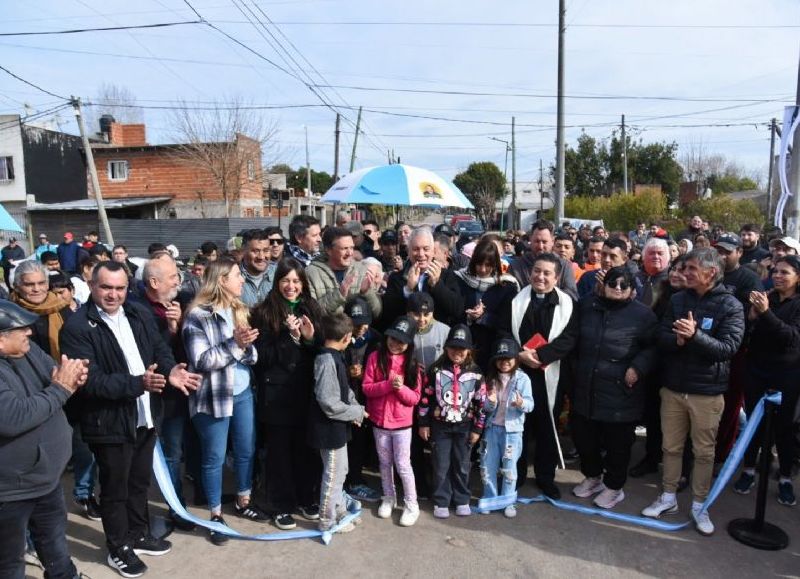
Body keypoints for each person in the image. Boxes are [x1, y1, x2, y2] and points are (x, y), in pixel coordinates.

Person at [60, 261, 201, 577]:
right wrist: (139, 383)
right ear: (92, 286)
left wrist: (171, 371)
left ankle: (139, 534)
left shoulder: (138, 312)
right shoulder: (77, 327)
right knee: (115, 488)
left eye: (120, 288)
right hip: (108, 422)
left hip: (145, 415)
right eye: (106, 287)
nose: (113, 294)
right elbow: (91, 381)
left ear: (128, 288)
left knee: (139, 482)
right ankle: (118, 547)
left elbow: (159, 349)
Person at [641, 248, 744, 536]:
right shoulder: (677, 299)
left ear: (711, 273)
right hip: (673, 388)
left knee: (703, 452)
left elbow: (728, 349)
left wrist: (695, 336)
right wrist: (678, 341)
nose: (684, 274)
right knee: (671, 447)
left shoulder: (731, 305)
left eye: (691, 269)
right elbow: (661, 336)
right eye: (684, 268)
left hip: (706, 393)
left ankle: (700, 504)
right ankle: (668, 496)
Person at [0, 301, 88, 579]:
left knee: (55, 545)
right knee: (10, 561)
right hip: (11, 491)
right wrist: (60, 388)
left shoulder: (28, 351)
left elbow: (54, 374)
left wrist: (72, 377)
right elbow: (14, 417)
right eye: (21, 329)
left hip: (46, 479)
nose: (29, 332)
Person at [182, 258, 266, 546]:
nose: (242, 280)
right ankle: (215, 515)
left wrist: (245, 347)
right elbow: (202, 360)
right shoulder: (197, 316)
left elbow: (252, 355)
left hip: (243, 393)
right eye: (237, 275)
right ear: (221, 280)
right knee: (214, 458)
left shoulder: (238, 309)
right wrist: (235, 345)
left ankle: (243, 500)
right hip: (213, 397)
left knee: (246, 450)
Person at [10, 260, 100, 521]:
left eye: (41, 283)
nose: (36, 289)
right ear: (17, 286)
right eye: (29, 284)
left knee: (83, 447)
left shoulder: (64, 310)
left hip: (69, 390)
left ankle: (84, 493)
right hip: (30, 397)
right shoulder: (9, 316)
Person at [571, 267, 657, 509]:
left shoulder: (643, 315)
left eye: (623, 285)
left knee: (617, 445)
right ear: (603, 284)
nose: (617, 288)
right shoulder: (587, 306)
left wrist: (638, 367)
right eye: (612, 283)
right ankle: (593, 477)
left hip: (621, 392)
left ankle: (614, 487)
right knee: (584, 438)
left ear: (632, 289)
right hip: (586, 387)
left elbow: (654, 348)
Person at [251, 258, 323, 531]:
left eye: (296, 281)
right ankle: (280, 505)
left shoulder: (311, 308)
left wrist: (308, 338)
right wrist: (289, 337)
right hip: (276, 394)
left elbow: (320, 349)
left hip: (304, 391)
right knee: (279, 453)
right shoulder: (264, 312)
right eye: (285, 280)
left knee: (305, 450)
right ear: (277, 282)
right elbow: (262, 356)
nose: (291, 286)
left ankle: (306, 498)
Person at [507, 252, 578, 499]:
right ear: (530, 273)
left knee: (548, 428)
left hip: (551, 375)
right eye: (537, 271)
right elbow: (504, 332)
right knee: (519, 427)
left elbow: (570, 338)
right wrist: (519, 354)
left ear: (556, 278)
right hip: (521, 372)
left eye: (547, 273)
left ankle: (546, 477)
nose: (540, 276)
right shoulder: (516, 301)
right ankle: (516, 475)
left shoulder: (567, 305)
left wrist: (540, 355)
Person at [733, 255, 800, 505]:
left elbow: (791, 338)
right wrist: (751, 317)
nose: (778, 276)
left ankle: (784, 478)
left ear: (798, 277)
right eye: (775, 271)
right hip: (756, 370)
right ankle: (749, 470)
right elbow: (748, 333)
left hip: (787, 374)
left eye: (785, 272)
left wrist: (766, 313)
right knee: (753, 423)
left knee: (784, 427)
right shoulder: (767, 297)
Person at [307, 312, 368, 533]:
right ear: (347, 337)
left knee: (341, 471)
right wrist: (355, 412)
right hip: (328, 430)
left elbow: (345, 390)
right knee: (333, 476)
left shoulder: (336, 356)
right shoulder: (326, 360)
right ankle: (327, 520)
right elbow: (329, 403)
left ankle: (340, 510)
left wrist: (356, 410)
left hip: (338, 428)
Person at [419, 324, 486, 518]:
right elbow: (425, 398)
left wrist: (477, 429)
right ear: (446, 347)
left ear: (469, 350)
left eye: (462, 348)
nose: (457, 352)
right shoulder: (435, 370)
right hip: (440, 427)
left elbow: (481, 403)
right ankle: (441, 500)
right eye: (453, 347)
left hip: (465, 427)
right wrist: (423, 423)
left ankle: (462, 499)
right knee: (440, 465)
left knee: (462, 465)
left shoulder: (476, 372)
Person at [362, 315, 422, 526]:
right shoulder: (375, 357)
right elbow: (367, 388)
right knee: (384, 463)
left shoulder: (413, 364)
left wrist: (400, 388)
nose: (395, 344)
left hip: (402, 425)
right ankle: (388, 497)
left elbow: (415, 398)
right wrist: (388, 385)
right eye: (393, 338)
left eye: (401, 341)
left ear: (409, 344)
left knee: (403, 465)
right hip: (379, 422)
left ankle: (412, 504)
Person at [714, 233, 763, 465]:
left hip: (736, 350)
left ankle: (722, 456)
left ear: (739, 253)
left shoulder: (749, 279)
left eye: (727, 251)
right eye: (719, 251)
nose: (722, 256)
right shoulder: (711, 273)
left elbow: (753, 316)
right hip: (707, 349)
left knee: (730, 406)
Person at [479, 338, 534, 518]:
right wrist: (490, 402)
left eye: (508, 358)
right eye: (500, 359)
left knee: (510, 468)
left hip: (513, 432)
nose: (504, 362)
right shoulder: (490, 378)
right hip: (491, 428)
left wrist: (521, 403)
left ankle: (508, 502)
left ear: (516, 359)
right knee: (487, 465)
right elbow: (484, 407)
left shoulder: (523, 378)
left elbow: (530, 405)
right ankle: (490, 499)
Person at [381, 226, 464, 330]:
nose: (421, 254)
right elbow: (389, 314)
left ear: (433, 251)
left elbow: (457, 310)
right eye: (416, 249)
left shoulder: (447, 275)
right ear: (408, 251)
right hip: (407, 335)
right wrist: (408, 289)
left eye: (426, 249)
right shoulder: (396, 278)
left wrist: (437, 285)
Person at [454, 236, 519, 369]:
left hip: (492, 349)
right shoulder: (460, 279)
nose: (483, 269)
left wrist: (483, 317)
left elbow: (507, 322)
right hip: (462, 347)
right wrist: (468, 316)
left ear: (495, 265)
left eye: (488, 265)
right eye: (479, 264)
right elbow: (453, 310)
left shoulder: (506, 286)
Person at [342, 297, 382, 503]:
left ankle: (355, 479)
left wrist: (365, 372)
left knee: (360, 440)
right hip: (343, 398)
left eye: (364, 323)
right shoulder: (338, 335)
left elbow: (384, 368)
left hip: (367, 398)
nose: (360, 328)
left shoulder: (377, 339)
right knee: (345, 440)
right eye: (355, 324)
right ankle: (344, 482)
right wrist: (346, 372)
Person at [306, 227, 382, 318]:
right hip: (327, 326)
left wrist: (366, 292)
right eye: (344, 248)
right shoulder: (311, 273)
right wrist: (339, 294)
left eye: (352, 248)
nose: (350, 253)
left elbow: (377, 312)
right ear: (328, 250)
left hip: (359, 326)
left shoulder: (361, 269)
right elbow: (313, 312)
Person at [509, 219, 577, 298]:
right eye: (537, 241)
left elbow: (572, 295)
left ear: (552, 241)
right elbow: (509, 296)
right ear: (530, 239)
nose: (540, 246)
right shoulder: (516, 266)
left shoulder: (564, 266)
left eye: (544, 242)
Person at [239, 229, 276, 308]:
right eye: (256, 251)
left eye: (266, 251)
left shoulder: (279, 273)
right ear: (243, 251)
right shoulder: (232, 276)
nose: (261, 257)